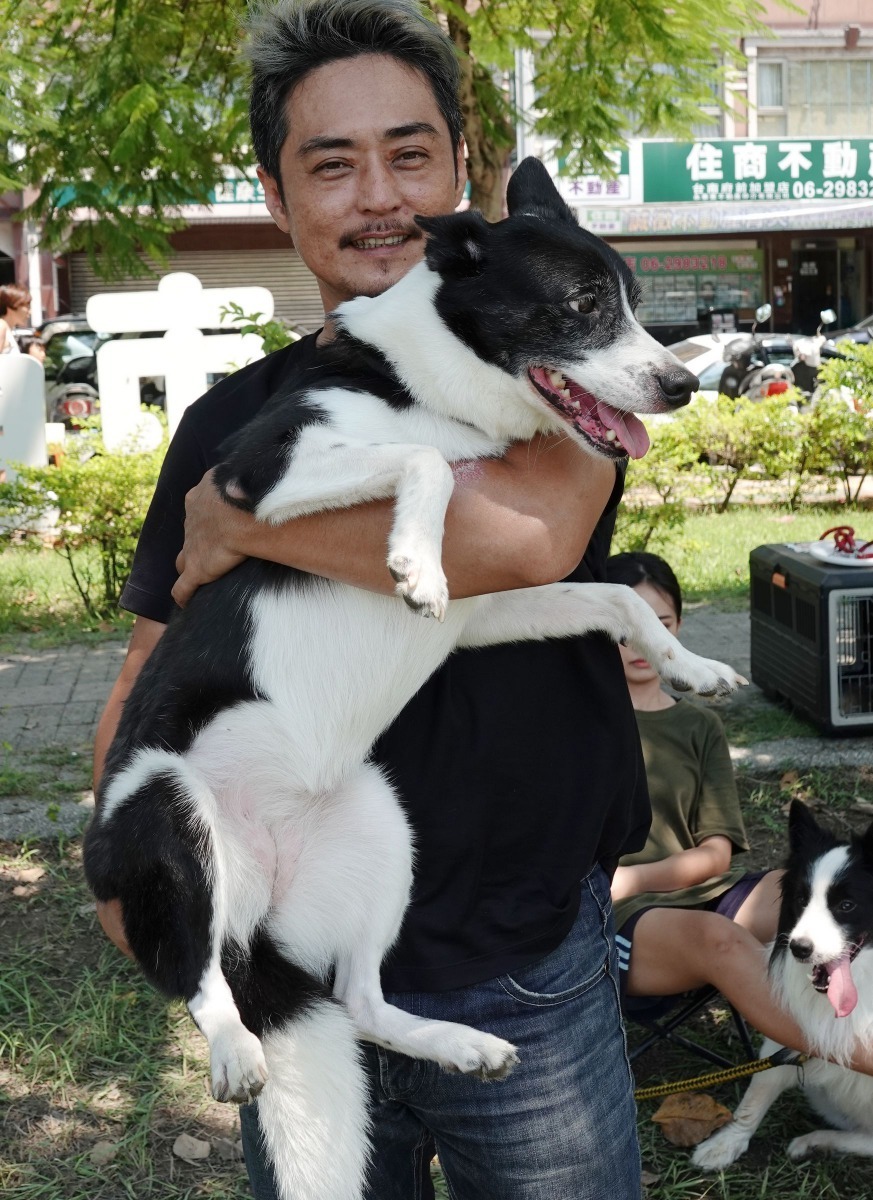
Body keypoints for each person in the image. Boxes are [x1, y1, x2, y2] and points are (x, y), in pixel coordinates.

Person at [93, 3, 650, 1197]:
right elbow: (153, 675)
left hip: (523, 965)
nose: (379, 195)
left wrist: (247, 516)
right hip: (291, 955)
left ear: (463, 168)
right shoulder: (225, 420)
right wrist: (140, 887)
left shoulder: (553, 367)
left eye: (410, 153)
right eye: (331, 164)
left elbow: (526, 542)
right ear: (277, 195)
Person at [605, 551, 873, 1071]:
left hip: (701, 893)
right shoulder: (577, 729)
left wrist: (633, 877)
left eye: (657, 624)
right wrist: (621, 887)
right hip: (617, 916)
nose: (642, 643)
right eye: (624, 628)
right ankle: (857, 1055)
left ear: (677, 628)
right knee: (719, 940)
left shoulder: (699, 726)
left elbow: (714, 854)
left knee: (818, 891)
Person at [0, 283, 32, 355]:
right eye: (27, 307)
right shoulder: (1, 326)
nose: (30, 312)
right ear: (11, 307)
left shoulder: (8, 329)